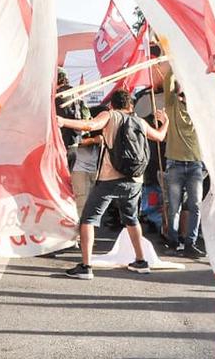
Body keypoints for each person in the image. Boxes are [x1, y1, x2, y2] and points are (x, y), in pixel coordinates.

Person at [57, 89, 168, 279]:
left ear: (112, 105)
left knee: (88, 220)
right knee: (132, 219)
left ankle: (86, 265)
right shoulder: (140, 121)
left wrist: (63, 121)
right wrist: (165, 122)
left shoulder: (109, 115)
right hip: (134, 179)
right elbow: (159, 137)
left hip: (110, 177)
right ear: (130, 105)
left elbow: (90, 125)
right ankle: (141, 261)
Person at [160, 65, 207, 257]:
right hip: (175, 163)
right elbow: (167, 83)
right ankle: (173, 240)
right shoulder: (172, 106)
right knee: (174, 206)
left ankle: (190, 243)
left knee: (195, 206)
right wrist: (174, 61)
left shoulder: (201, 112)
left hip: (195, 165)